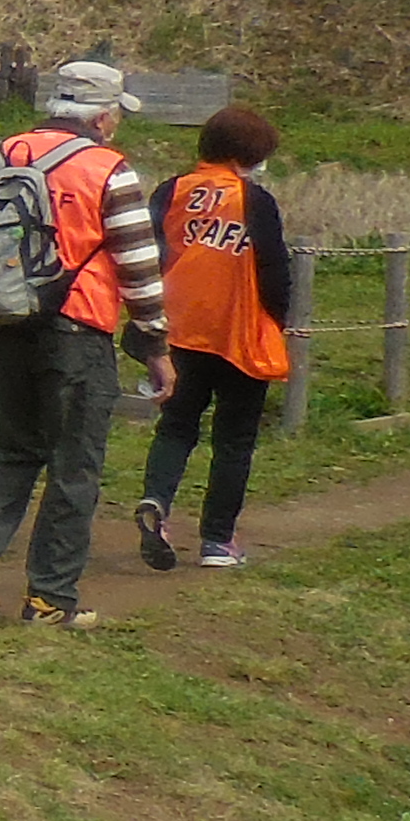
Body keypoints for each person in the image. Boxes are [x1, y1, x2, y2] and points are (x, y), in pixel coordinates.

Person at [0, 58, 171, 631]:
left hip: (1, 323)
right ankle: (49, 599)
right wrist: (156, 345)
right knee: (74, 466)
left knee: (13, 447)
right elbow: (138, 265)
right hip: (77, 328)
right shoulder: (108, 169)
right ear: (105, 116)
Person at [136, 105, 293, 574]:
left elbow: (148, 255)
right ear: (251, 154)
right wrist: (277, 322)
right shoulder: (254, 199)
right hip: (238, 331)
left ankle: (156, 503)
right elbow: (274, 270)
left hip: (178, 329)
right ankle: (217, 540)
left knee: (177, 424)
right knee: (234, 440)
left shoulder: (172, 190)